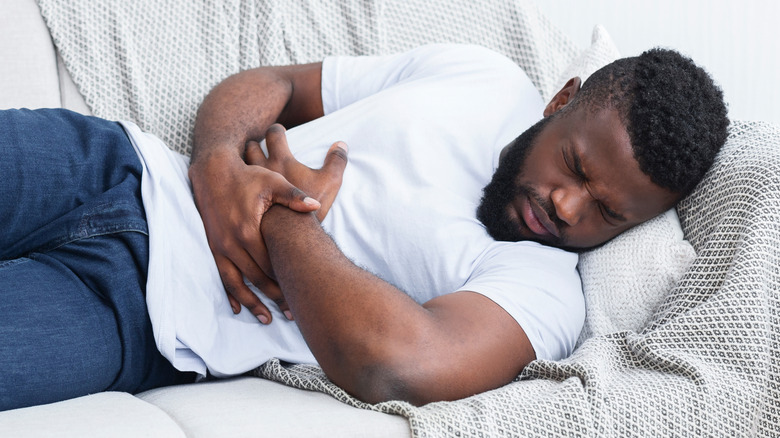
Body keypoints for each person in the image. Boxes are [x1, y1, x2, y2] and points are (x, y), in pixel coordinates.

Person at [0, 44, 728, 411]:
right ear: (561, 101)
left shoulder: (544, 298)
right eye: (574, 167)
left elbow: (392, 364)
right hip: (107, 162)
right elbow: (277, 85)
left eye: (608, 212)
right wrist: (220, 161)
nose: (570, 208)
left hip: (140, 313)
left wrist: (289, 214)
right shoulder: (483, 77)